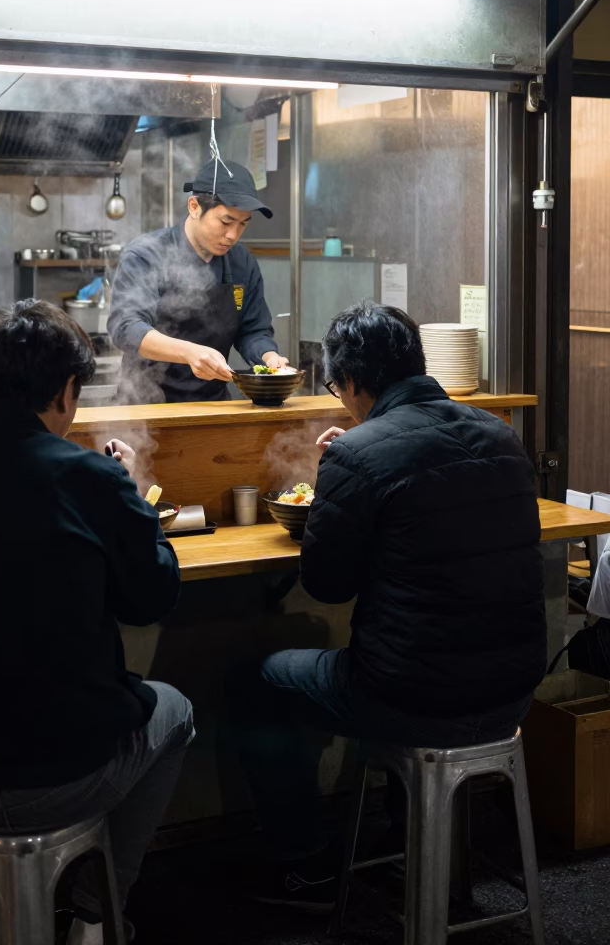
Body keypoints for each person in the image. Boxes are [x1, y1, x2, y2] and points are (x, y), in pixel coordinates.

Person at [0, 299, 194, 944]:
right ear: (67, 389)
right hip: (61, 774)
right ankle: (92, 914)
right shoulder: (93, 479)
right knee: (176, 709)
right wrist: (130, 500)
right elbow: (150, 599)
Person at [229, 302, 546, 913]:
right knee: (427, 649)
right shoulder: (500, 434)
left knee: (256, 683)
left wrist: (338, 479)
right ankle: (408, 840)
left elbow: (326, 585)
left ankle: (307, 864)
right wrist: (361, 462)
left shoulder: (358, 453)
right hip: (511, 692)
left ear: (350, 382)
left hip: (417, 697)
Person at [108, 158, 288, 403]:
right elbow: (126, 327)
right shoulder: (146, 254)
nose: (232, 235)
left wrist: (268, 357)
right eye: (225, 222)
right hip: (145, 407)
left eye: (242, 224)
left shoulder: (241, 262)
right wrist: (188, 352)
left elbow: (253, 329)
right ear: (194, 207)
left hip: (211, 404)